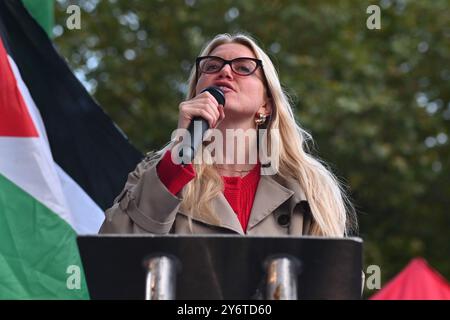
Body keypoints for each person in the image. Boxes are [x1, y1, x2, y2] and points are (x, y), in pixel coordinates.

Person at [99, 32, 357, 237]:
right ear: (195, 94)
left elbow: (336, 280)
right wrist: (181, 152)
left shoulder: (308, 184)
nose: (224, 72)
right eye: (211, 66)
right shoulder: (158, 172)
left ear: (266, 105)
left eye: (244, 68)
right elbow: (113, 257)